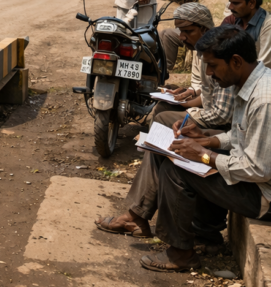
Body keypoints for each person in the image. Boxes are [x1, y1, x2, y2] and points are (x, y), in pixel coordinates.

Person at [95, 26, 267, 272]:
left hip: (262, 195)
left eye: (213, 66)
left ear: (236, 61)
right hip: (252, 178)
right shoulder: (248, 84)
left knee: (175, 170)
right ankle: (138, 217)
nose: (209, 73)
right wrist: (206, 139)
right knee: (168, 147)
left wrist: (204, 155)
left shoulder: (263, 100)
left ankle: (181, 253)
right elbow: (241, 136)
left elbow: (258, 170)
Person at [150, 4, 233, 130]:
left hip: (221, 123)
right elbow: (203, 88)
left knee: (162, 118)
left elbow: (221, 115)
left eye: (188, 31)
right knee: (162, 106)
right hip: (208, 109)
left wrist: (190, 110)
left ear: (204, 29)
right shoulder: (199, 50)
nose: (181, 37)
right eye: (180, 31)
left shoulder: (219, 56)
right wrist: (190, 93)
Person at [222, 0, 271, 66]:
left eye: (236, 3)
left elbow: (264, 65)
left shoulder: (267, 25)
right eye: (230, 2)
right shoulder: (235, 20)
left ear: (252, 3)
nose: (230, 7)